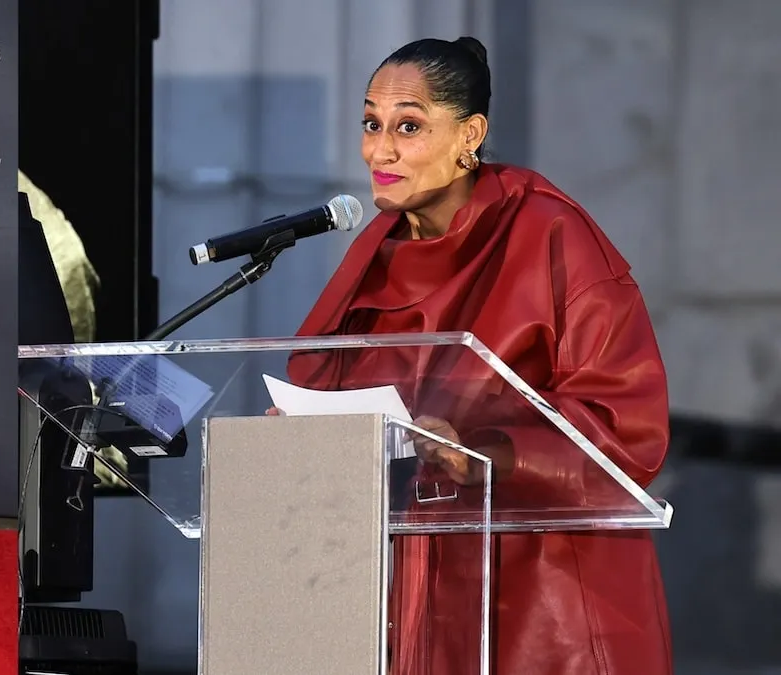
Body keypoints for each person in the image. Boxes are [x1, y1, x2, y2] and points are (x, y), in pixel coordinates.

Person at [280, 37, 672, 674]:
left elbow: (625, 430)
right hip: (404, 591)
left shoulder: (551, 234)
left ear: (471, 135)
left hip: (541, 598)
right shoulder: (374, 251)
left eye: (408, 126)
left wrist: (480, 452)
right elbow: (331, 390)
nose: (379, 150)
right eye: (371, 124)